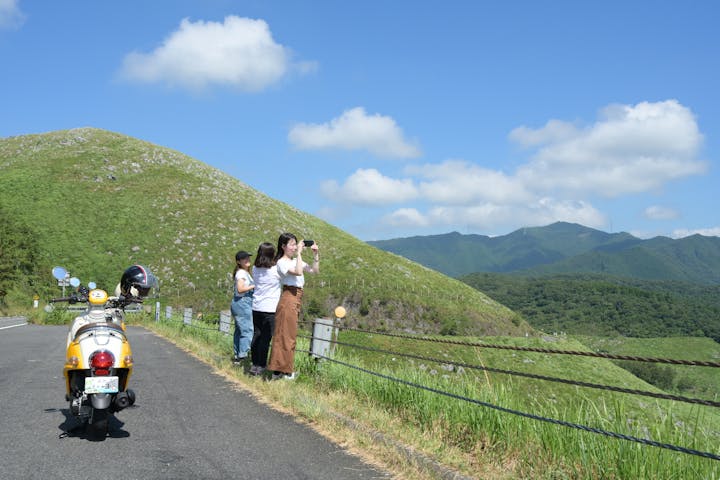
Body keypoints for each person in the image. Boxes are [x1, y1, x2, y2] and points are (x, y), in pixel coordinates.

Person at [267, 233, 319, 380]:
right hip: (289, 297)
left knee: (287, 334)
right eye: (291, 244)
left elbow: (315, 271)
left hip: (296, 297)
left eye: (295, 244)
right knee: (286, 336)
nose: (294, 247)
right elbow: (298, 272)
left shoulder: (295, 260)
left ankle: (280, 370)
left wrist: (316, 255)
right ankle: (284, 371)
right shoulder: (281, 262)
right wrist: (300, 253)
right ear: (283, 246)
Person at [249, 242, 281, 376]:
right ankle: (262, 364)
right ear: (272, 255)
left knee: (256, 335)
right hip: (270, 308)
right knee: (265, 339)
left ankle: (254, 364)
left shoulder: (255, 269)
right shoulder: (275, 270)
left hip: (256, 306)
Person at [230, 251, 254, 364]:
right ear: (238, 261)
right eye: (244, 259)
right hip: (243, 302)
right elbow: (240, 289)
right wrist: (255, 285)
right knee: (247, 331)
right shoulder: (241, 274)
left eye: (248, 258)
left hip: (238, 302)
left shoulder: (243, 272)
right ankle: (243, 356)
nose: (247, 260)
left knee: (239, 331)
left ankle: (237, 356)